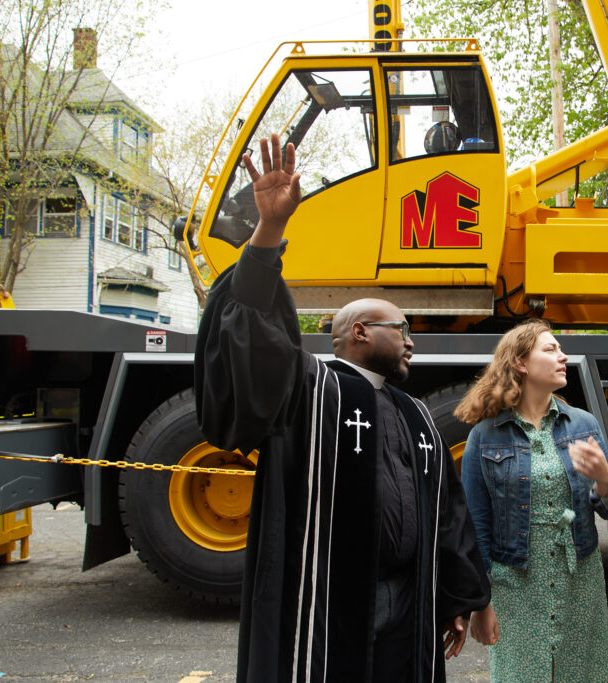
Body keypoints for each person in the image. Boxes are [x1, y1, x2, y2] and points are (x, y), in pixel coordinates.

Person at [195, 134, 490, 683]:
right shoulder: (306, 389)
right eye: (400, 329)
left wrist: (458, 595)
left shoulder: (415, 414)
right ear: (358, 332)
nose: (410, 341)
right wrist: (269, 233)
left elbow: (448, 512)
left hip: (410, 599)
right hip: (328, 602)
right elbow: (252, 333)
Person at [454, 319, 608, 683]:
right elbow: (476, 525)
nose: (563, 356)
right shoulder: (484, 436)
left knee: (581, 675)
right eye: (550, 350)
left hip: (579, 576)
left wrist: (605, 480)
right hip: (515, 583)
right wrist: (480, 603)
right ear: (520, 363)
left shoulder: (583, 424)